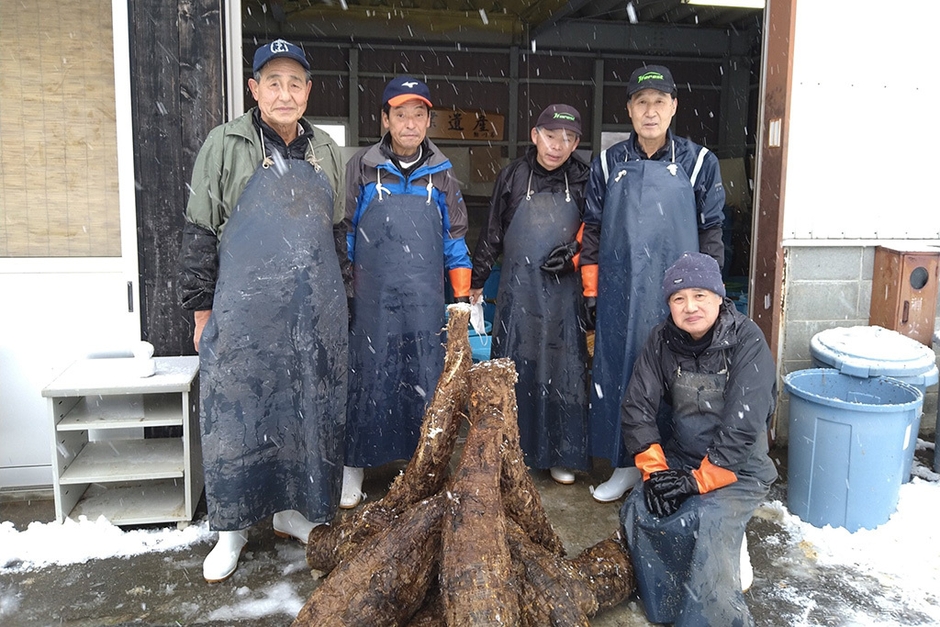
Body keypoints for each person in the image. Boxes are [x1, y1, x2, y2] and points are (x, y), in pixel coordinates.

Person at [177, 38, 349, 582]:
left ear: (308, 91)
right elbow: (199, 232)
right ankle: (231, 531)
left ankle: (290, 512)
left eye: (295, 83)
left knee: (302, 413)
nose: (284, 93)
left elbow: (337, 235)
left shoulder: (326, 149)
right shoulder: (224, 144)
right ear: (254, 89)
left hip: (309, 314)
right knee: (238, 417)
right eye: (273, 82)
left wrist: (340, 305)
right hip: (243, 312)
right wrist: (201, 312)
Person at [580, 64, 727, 502]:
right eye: (641, 102)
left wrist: (710, 295)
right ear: (628, 109)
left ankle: (673, 468)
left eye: (659, 102)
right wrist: (591, 291)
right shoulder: (607, 163)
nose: (650, 111)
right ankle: (627, 465)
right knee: (623, 376)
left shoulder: (699, 163)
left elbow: (712, 230)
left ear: (673, 107)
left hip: (678, 296)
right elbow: (592, 230)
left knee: (677, 378)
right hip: (620, 295)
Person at [619, 252, 776, 625]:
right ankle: (667, 606)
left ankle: (716, 596)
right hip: (683, 458)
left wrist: (700, 481)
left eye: (700, 295)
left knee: (707, 519)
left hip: (739, 468)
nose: (690, 307)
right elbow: (637, 407)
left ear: (719, 297)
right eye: (679, 298)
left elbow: (744, 422)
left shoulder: (747, 339)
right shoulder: (660, 340)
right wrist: (656, 472)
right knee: (641, 507)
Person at [341, 76, 472, 507]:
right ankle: (354, 466)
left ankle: (424, 469)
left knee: (423, 378)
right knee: (367, 375)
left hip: (424, 300)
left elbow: (455, 239)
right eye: (401, 114)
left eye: (418, 115)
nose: (410, 123)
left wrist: (461, 299)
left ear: (429, 121)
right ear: (385, 119)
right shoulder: (362, 167)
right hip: (372, 300)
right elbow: (345, 234)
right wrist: (345, 291)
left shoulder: (443, 174)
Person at [469, 104, 590, 485]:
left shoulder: (585, 179)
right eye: (551, 136)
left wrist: (574, 255)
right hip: (518, 291)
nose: (558, 146)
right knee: (515, 367)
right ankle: (511, 452)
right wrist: (476, 280)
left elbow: (597, 233)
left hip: (563, 293)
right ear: (535, 136)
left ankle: (561, 454)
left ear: (576, 144)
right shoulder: (513, 176)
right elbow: (492, 231)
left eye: (568, 139)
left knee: (562, 368)